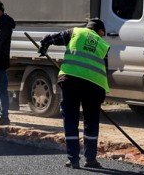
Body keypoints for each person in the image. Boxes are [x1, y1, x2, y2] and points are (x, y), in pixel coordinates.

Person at [38, 18, 109, 169]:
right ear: (100, 31)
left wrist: (44, 48)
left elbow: (48, 39)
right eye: (103, 33)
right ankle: (90, 160)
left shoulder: (75, 32)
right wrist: (101, 96)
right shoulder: (103, 45)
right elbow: (103, 72)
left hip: (71, 82)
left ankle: (73, 159)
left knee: (71, 119)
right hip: (94, 86)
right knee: (91, 122)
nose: (104, 35)